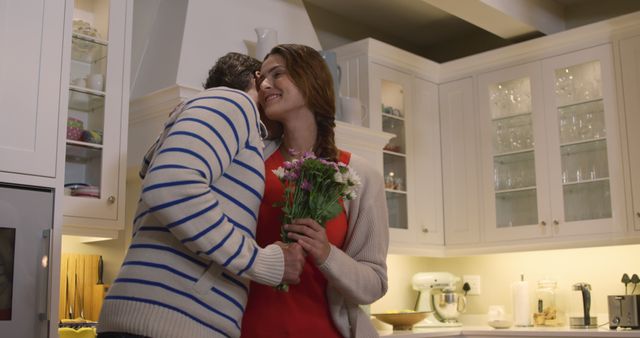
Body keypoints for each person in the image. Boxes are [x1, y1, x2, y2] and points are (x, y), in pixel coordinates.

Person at [96, 52, 305, 338]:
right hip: (172, 323)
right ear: (256, 81)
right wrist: (262, 263)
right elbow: (171, 183)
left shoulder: (215, 117)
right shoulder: (235, 102)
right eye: (269, 79)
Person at [240, 44, 389, 338]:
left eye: (277, 74)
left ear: (310, 81)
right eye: (261, 80)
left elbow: (373, 283)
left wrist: (325, 253)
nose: (265, 84)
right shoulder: (250, 166)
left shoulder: (360, 176)